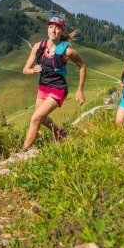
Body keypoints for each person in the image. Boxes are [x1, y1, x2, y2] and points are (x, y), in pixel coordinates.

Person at [21, 15, 86, 152]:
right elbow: (25, 70)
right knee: (42, 118)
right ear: (47, 29)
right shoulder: (39, 46)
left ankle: (22, 151)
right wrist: (32, 70)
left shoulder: (67, 51)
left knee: (35, 118)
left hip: (58, 89)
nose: (53, 31)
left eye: (57, 28)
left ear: (61, 31)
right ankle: (59, 132)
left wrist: (80, 90)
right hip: (42, 87)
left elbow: (82, 66)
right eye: (51, 27)